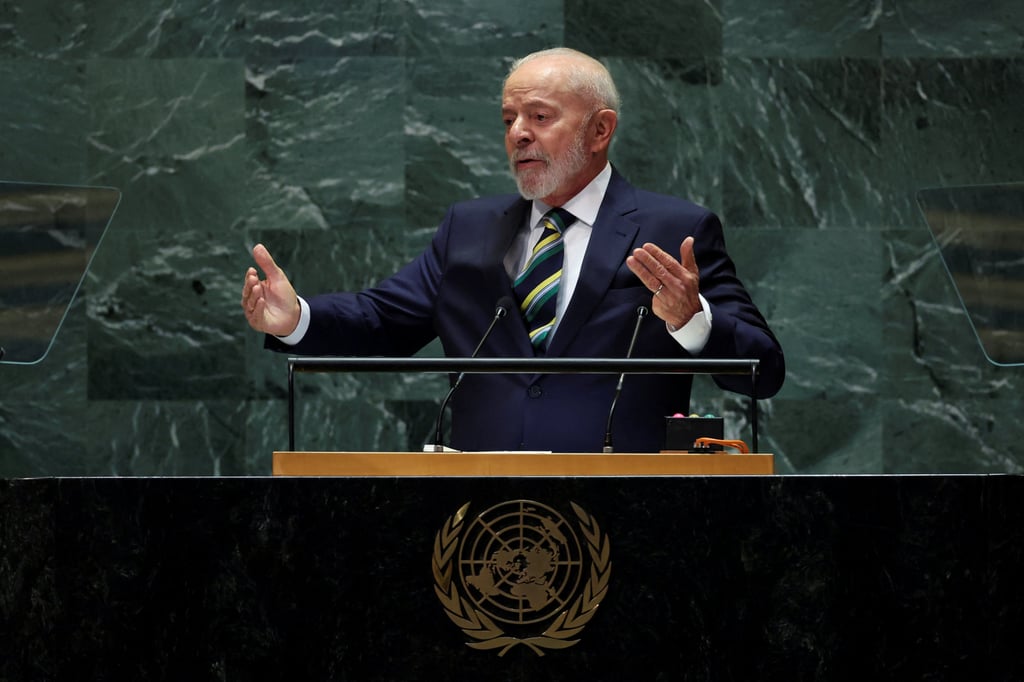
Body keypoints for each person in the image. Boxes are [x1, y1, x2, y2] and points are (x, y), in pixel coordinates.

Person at [241, 47, 785, 453]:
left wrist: (693, 320)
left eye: (540, 117)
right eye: (509, 120)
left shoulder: (675, 229)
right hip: (484, 517)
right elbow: (384, 319)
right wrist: (296, 319)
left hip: (627, 508)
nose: (518, 134)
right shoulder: (469, 228)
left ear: (600, 130)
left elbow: (764, 369)